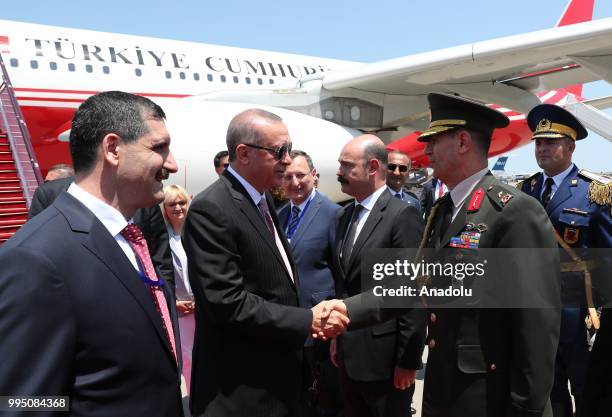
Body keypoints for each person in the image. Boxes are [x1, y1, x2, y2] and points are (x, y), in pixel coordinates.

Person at [324, 93, 562, 417]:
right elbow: (414, 288)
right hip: (445, 392)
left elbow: (536, 326)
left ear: (463, 142)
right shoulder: (443, 210)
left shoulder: (513, 212)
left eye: (434, 141)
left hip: (490, 399)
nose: (426, 151)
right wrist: (345, 309)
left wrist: (527, 408)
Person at [0, 91, 183, 416]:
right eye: (159, 148)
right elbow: (23, 403)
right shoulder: (37, 259)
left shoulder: (129, 237)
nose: (172, 164)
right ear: (112, 149)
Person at [182, 108, 349, 417]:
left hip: (277, 381)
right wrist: (305, 320)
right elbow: (226, 302)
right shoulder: (212, 208)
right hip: (241, 391)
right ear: (244, 154)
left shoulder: (262, 199)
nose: (288, 159)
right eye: (279, 151)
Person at [518, 103, 612, 417]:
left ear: (570, 147)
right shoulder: (525, 190)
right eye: (538, 143)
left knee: (587, 388)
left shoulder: (594, 192)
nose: (542, 149)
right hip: (534, 309)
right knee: (548, 389)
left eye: (550, 142)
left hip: (579, 312)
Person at [331, 134, 425, 417]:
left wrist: (407, 361)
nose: (339, 172)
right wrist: (338, 336)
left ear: (372, 167)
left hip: (386, 362)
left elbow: (411, 292)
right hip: (349, 355)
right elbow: (346, 285)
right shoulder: (345, 216)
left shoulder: (402, 216)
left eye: (347, 166)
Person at [278, 149, 343, 416]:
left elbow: (341, 273)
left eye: (300, 175)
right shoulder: (279, 216)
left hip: (321, 326)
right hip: (288, 323)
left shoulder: (333, 214)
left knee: (324, 400)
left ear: (314, 176)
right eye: (287, 176)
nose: (294, 182)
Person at [28, 175, 176, 287]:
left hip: (147, 302)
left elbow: (161, 260)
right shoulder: (49, 194)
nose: (171, 165)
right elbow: (36, 251)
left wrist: (166, 306)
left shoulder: (143, 197)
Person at [163, 184, 196, 394]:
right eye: (172, 203)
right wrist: (173, 303)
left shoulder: (198, 232)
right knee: (188, 358)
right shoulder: (161, 238)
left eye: (182, 202)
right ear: (164, 208)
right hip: (181, 309)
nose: (178, 207)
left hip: (205, 306)